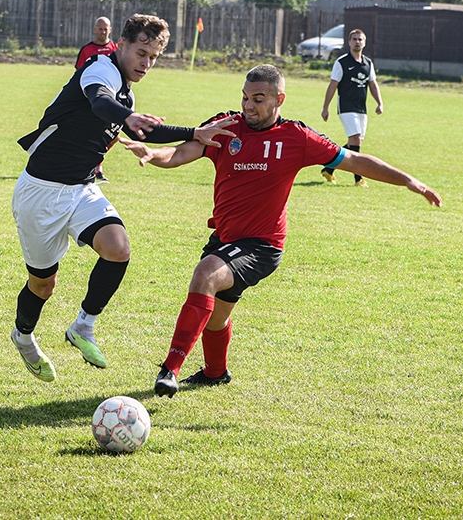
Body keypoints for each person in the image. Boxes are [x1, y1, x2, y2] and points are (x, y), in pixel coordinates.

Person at [118, 64, 442, 398]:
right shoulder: (227, 126)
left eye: (258, 99)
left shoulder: (297, 138)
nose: (248, 106)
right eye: (245, 97)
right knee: (215, 316)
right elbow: (183, 151)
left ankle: (169, 370)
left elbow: (355, 161)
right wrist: (154, 153)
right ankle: (216, 373)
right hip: (226, 238)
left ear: (279, 99)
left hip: (261, 246)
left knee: (206, 275)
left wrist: (408, 181)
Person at [9, 14, 234, 383]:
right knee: (43, 285)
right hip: (40, 193)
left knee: (118, 248)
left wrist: (188, 132)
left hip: (81, 189)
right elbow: (99, 103)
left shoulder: (127, 91)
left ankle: (83, 326)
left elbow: (136, 126)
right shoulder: (100, 69)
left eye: (154, 58)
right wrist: (130, 119)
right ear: (122, 45)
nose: (145, 63)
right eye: (141, 53)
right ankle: (23, 336)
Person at [319, 28, 382, 187]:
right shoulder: (342, 62)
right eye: (354, 39)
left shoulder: (368, 63)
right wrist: (325, 107)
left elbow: (373, 84)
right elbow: (333, 85)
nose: (357, 42)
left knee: (356, 141)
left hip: (361, 108)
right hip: (346, 106)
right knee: (355, 138)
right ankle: (358, 178)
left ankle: (329, 168)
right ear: (349, 42)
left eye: (360, 39)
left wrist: (379, 103)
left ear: (364, 42)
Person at [76, 16, 120, 183]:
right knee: (89, 133)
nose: (103, 32)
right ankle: (93, 167)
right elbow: (78, 74)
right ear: (95, 29)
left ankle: (95, 164)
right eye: (100, 29)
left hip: (112, 98)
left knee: (113, 135)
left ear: (110, 29)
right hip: (91, 99)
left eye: (106, 29)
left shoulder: (115, 48)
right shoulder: (87, 50)